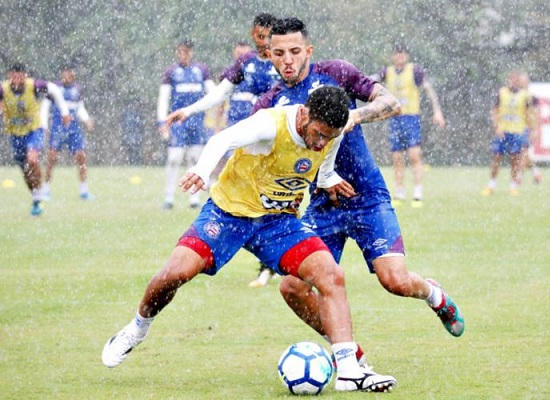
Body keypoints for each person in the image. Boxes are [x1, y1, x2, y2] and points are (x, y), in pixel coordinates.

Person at [102, 86, 398, 393]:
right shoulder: (270, 124)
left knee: (331, 275)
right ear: (305, 113)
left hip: (277, 223)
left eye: (330, 136)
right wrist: (203, 171)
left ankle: (349, 370)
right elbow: (221, 139)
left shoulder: (333, 131)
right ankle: (137, 329)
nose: (321, 142)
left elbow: (323, 165)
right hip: (228, 215)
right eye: (319, 134)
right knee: (174, 274)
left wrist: (328, 179)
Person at [253, 18, 464, 358]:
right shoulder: (268, 105)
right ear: (269, 55)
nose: (288, 60)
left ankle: (433, 294)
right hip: (322, 207)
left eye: (295, 51)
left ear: (309, 51)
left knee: (395, 281)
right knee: (292, 287)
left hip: (366, 198)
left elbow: (393, 103)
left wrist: (355, 116)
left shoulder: (336, 73)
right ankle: (349, 351)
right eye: (279, 53)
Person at [165, 13, 281, 288]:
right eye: (258, 37)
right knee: (252, 196)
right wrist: (189, 110)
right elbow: (219, 93)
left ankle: (282, 260)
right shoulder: (247, 62)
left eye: (266, 36)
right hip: (257, 139)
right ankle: (264, 262)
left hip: (285, 140)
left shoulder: (286, 60)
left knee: (282, 198)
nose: (262, 43)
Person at [371, 44, 446, 208]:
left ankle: (417, 193)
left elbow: (429, 90)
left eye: (402, 54)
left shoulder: (415, 71)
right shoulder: (387, 72)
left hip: (411, 118)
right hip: (394, 119)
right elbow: (369, 81)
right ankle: (399, 192)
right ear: (393, 56)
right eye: (396, 54)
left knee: (414, 155)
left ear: (407, 56)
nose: (399, 58)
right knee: (397, 157)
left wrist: (437, 111)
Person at [0, 63, 71, 216]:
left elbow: (54, 89)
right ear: (9, 76)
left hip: (34, 130)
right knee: (25, 170)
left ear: (25, 76)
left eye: (20, 75)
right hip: (15, 134)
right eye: (14, 75)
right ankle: (36, 197)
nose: (17, 79)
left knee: (32, 160)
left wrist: (64, 111)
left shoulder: (34, 86)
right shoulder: (3, 89)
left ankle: (40, 191)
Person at [157, 39, 215, 209]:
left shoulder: (201, 70)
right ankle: (169, 198)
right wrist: (162, 121)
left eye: (186, 51)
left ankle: (194, 199)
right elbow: (163, 98)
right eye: (180, 51)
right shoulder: (171, 72)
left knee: (195, 158)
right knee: (174, 158)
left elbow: (213, 93)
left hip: (197, 121)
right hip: (177, 121)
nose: (183, 55)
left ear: (191, 52)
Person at [40, 65, 94, 200]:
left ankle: (84, 191)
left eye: (71, 73)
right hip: (58, 128)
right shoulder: (54, 88)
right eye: (66, 72)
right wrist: (44, 125)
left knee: (81, 157)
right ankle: (46, 189)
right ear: (62, 73)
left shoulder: (78, 89)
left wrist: (86, 119)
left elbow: (80, 108)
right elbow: (45, 107)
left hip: (74, 129)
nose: (69, 75)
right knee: (52, 158)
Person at [481, 70, 534, 196]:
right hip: (502, 131)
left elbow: (528, 113)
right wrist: (497, 126)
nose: (513, 82)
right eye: (511, 79)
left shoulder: (524, 96)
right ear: (508, 80)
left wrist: (530, 129)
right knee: (496, 158)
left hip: (517, 132)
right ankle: (491, 185)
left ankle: (512, 187)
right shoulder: (502, 93)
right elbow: (494, 110)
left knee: (515, 160)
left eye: (516, 80)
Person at [517, 72, 542, 185]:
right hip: (517, 127)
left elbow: (536, 114)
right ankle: (536, 173)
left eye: (524, 80)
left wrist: (535, 129)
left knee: (523, 152)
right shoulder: (516, 96)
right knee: (523, 153)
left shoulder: (532, 98)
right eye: (521, 80)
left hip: (526, 128)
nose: (523, 82)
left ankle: (519, 177)